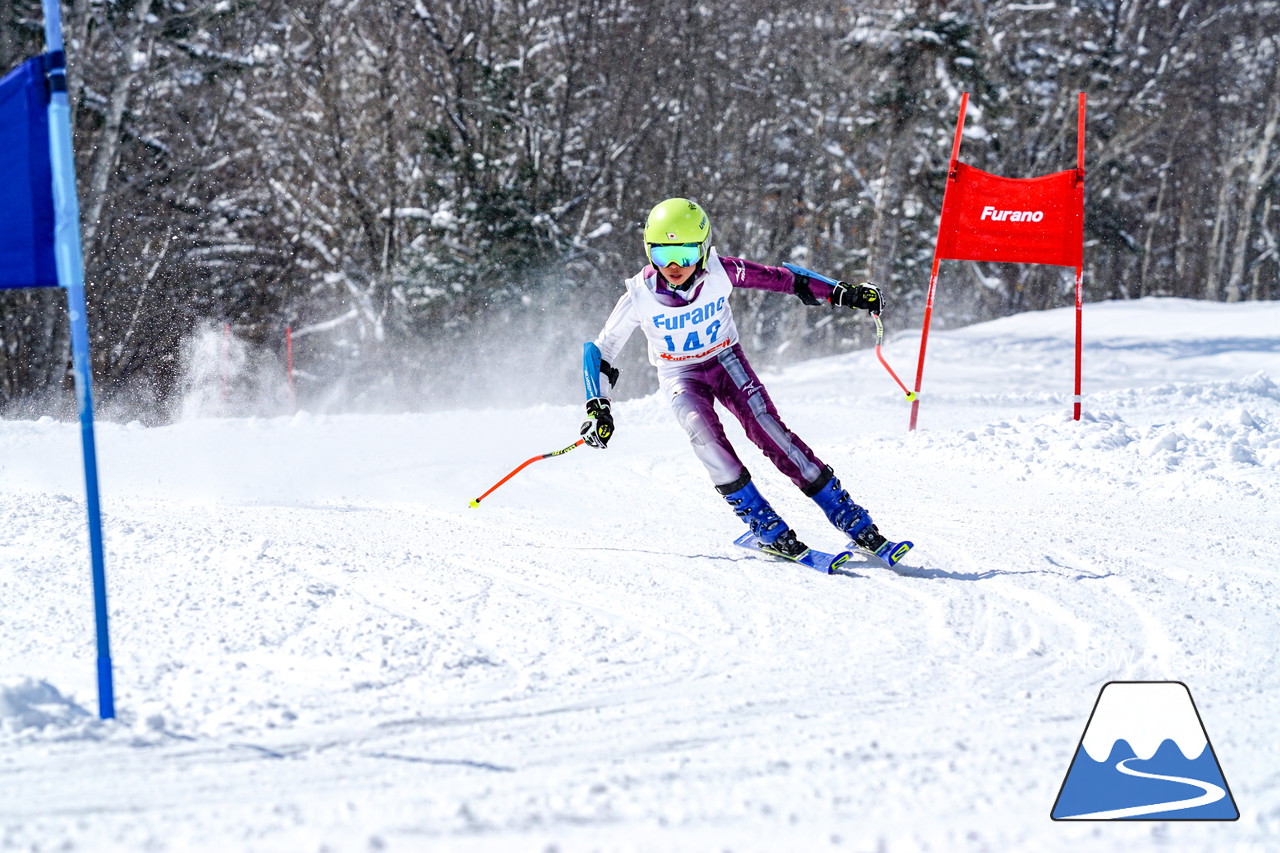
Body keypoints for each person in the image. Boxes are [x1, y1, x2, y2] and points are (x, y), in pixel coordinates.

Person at [578, 197, 904, 561]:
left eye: (685, 255)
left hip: (725, 360)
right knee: (704, 437)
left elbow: (784, 280)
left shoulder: (721, 272)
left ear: (702, 250)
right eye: (661, 254)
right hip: (680, 375)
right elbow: (601, 350)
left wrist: (843, 293)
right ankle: (766, 526)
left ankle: (850, 518)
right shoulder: (638, 294)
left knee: (770, 432)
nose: (673, 266)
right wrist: (598, 406)